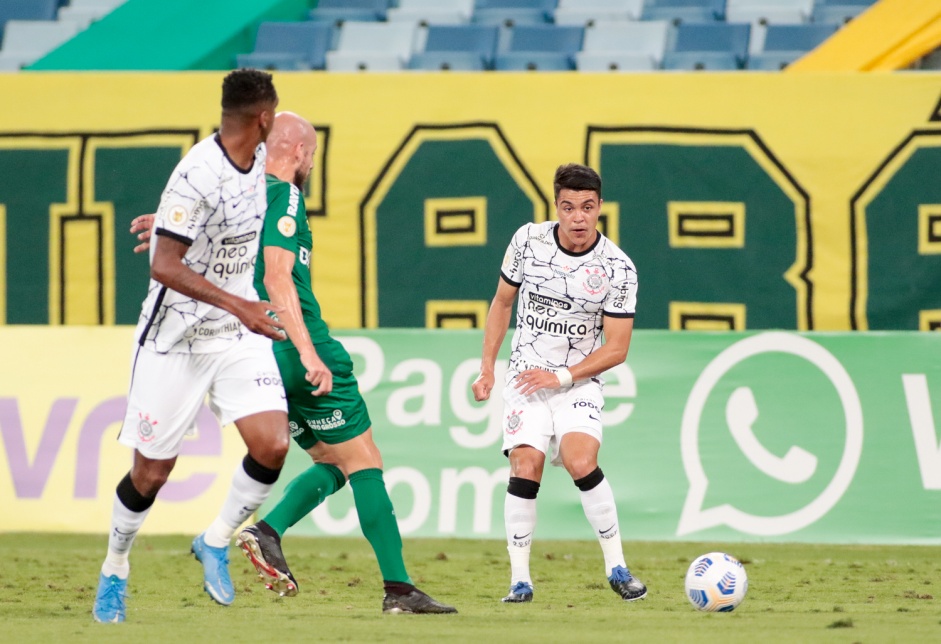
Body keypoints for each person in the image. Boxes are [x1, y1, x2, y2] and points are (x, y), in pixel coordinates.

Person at [129, 112, 456, 615]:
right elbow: (279, 278)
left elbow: (194, 229)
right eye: (313, 155)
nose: (311, 164)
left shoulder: (236, 198)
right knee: (364, 461)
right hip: (291, 342)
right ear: (300, 153)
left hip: (247, 352)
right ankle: (397, 588)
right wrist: (308, 352)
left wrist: (163, 223)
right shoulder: (286, 195)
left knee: (330, 460)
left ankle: (268, 531)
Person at [92, 69, 290, 624]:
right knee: (151, 474)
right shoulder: (196, 173)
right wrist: (242, 305)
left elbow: (217, 225)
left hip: (231, 336)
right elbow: (163, 263)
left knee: (272, 444)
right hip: (175, 339)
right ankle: (115, 567)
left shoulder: (252, 165)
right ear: (264, 118)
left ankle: (216, 538)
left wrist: (175, 224)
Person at [471, 163, 647, 604]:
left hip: (578, 382)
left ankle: (617, 567)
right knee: (525, 464)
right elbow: (501, 302)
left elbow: (618, 347)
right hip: (527, 377)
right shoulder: (527, 241)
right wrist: (488, 367)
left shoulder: (617, 268)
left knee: (579, 459)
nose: (578, 218)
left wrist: (564, 376)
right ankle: (520, 581)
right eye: (569, 207)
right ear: (557, 207)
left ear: (600, 208)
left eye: (587, 207)